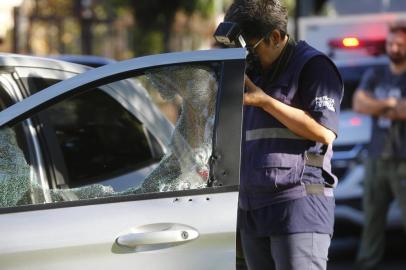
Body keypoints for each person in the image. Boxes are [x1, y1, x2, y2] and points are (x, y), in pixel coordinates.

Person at [221, 1, 343, 269]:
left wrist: (266, 102)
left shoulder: (313, 66)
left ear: (275, 37)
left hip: (298, 206)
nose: (245, 57)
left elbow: (325, 132)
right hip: (253, 208)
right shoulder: (254, 70)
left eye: (249, 48)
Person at [353, 21, 406, 270]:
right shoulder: (375, 74)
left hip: (403, 159)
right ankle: (366, 265)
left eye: (400, 44)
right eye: (391, 43)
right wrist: (389, 104)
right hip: (376, 158)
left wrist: (377, 105)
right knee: (371, 221)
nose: (394, 48)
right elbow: (359, 103)